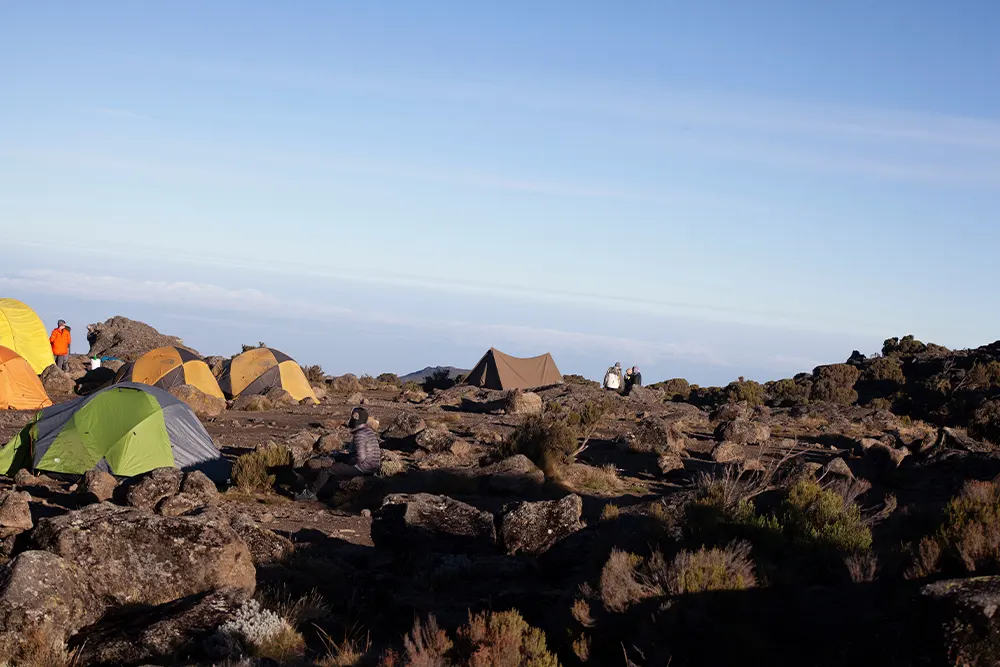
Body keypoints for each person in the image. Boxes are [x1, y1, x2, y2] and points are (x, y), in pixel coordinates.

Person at [294, 406, 381, 501]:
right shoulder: (368, 431)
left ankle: (310, 493)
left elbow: (361, 458)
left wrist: (344, 463)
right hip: (372, 466)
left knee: (328, 469)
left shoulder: (360, 435)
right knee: (337, 457)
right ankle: (326, 472)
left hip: (363, 468)